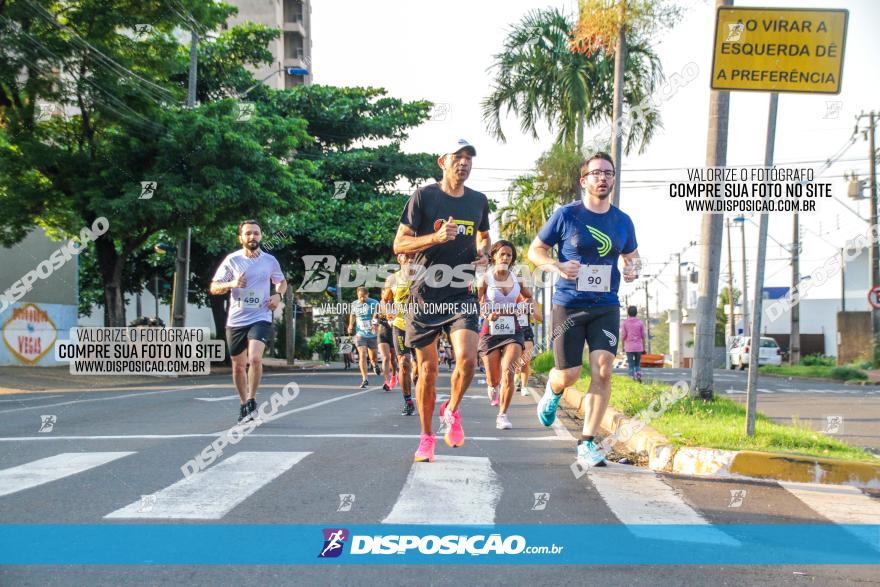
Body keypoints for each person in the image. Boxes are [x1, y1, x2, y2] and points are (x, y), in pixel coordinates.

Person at [527, 152, 640, 468]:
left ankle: (587, 442)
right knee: (570, 374)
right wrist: (556, 265)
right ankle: (553, 388)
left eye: (608, 172)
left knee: (604, 367)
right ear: (584, 180)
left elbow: (633, 257)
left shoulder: (623, 221)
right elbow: (535, 251)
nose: (603, 177)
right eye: (596, 173)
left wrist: (633, 270)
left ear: (613, 179)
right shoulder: (566, 215)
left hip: (605, 304)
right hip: (569, 305)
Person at [393, 138, 490, 462]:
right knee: (428, 370)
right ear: (442, 162)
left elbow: (484, 236)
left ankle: (451, 409)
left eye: (469, 158)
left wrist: (484, 255)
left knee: (467, 359)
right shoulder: (424, 197)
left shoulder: (478, 201)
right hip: (425, 294)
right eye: (458, 157)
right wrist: (434, 238)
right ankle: (426, 437)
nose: (464, 162)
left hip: (461, 292)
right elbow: (399, 244)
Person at [210, 219, 286, 423]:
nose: (253, 237)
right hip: (236, 319)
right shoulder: (232, 260)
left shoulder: (269, 260)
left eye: (256, 233)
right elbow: (214, 287)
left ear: (261, 236)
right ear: (241, 237)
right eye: (248, 233)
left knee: (255, 359)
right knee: (237, 366)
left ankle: (252, 399)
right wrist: (232, 283)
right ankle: (244, 403)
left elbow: (281, 282)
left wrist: (278, 296)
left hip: (260, 316)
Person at [477, 240, 534, 430]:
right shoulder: (485, 278)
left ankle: (502, 415)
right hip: (490, 330)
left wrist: (524, 305)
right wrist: (487, 313)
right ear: (494, 256)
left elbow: (528, 297)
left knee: (509, 372)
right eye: (502, 254)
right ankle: (492, 387)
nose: (505, 258)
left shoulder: (517, 279)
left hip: (513, 330)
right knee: (494, 378)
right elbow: (477, 303)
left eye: (509, 255)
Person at [386, 253, 417, 415]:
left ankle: (419, 382)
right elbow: (386, 300)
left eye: (414, 256)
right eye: (407, 256)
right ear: (400, 259)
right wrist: (389, 315)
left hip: (421, 326)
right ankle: (408, 401)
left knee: (420, 368)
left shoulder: (424, 277)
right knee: (404, 363)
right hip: (400, 326)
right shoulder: (392, 279)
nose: (411, 260)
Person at [347, 287, 380, 389]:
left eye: (364, 297)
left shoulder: (375, 303)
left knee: (373, 357)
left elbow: (378, 315)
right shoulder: (354, 304)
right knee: (362, 354)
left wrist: (375, 322)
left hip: (373, 334)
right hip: (360, 334)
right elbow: (352, 315)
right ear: (357, 295)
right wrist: (350, 325)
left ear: (367, 295)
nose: (362, 299)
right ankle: (365, 379)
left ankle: (374, 365)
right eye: (360, 296)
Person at [515, 296, 542, 396]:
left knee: (525, 360)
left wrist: (530, 310)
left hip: (525, 332)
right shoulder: (507, 297)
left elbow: (540, 318)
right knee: (513, 361)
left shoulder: (531, 301)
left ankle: (524, 387)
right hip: (510, 332)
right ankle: (515, 374)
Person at [378, 283, 399, 391]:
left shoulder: (396, 304)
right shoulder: (379, 305)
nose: (385, 295)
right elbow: (375, 318)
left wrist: (392, 320)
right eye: (383, 293)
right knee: (385, 358)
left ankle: (394, 375)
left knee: (393, 359)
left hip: (394, 333)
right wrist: (374, 323)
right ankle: (386, 381)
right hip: (382, 334)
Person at [621, 305, 646, 382]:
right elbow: (643, 336)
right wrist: (644, 348)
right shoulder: (640, 323)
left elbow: (623, 336)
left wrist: (622, 347)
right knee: (637, 364)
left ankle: (632, 379)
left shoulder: (625, 323)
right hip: (639, 347)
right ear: (636, 313)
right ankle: (638, 377)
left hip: (629, 347)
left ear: (628, 313)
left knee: (631, 365)